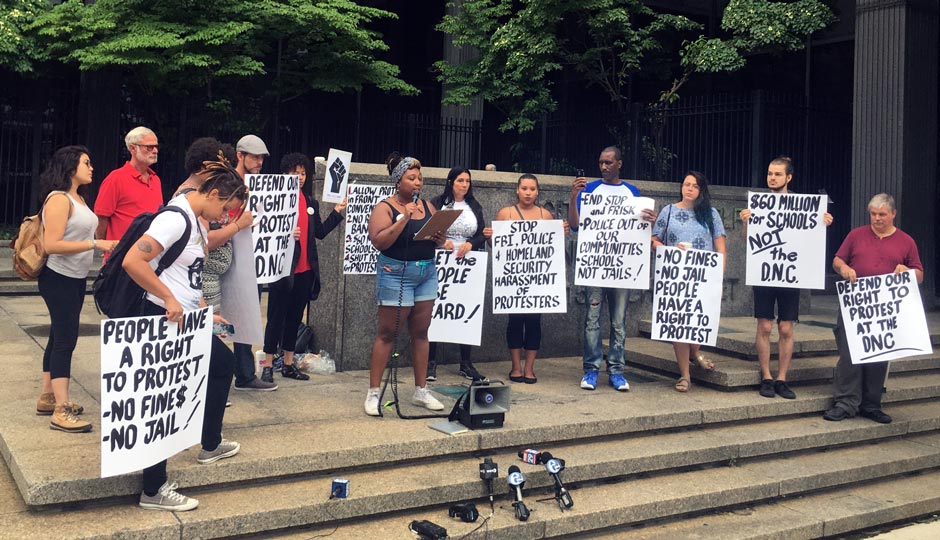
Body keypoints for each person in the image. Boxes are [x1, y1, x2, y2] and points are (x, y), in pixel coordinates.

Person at [123, 160, 248, 511]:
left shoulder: (196, 220)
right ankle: (153, 487)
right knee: (163, 396)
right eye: (224, 208)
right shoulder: (174, 218)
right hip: (162, 315)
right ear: (212, 193)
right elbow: (133, 261)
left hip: (185, 317)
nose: (225, 216)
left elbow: (190, 269)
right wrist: (167, 297)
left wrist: (203, 308)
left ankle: (210, 442)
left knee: (222, 365)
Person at [35, 146, 118, 432]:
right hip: (59, 277)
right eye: (86, 162)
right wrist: (96, 244)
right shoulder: (58, 199)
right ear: (71, 167)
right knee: (65, 340)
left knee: (59, 334)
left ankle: (48, 396)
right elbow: (51, 245)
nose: (92, 167)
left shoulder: (78, 198)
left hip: (74, 277)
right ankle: (61, 409)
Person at [823, 193, 923, 424]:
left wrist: (906, 272)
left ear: (893, 214)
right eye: (873, 214)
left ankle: (871, 403)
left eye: (882, 214)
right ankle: (846, 402)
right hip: (855, 304)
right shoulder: (856, 235)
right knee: (849, 354)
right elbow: (837, 260)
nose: (877, 219)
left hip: (886, 309)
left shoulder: (906, 241)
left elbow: (919, 274)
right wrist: (844, 269)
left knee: (879, 355)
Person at [739, 156, 833, 399]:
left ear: (788, 177)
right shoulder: (759, 205)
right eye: (770, 173)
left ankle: (782, 378)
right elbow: (749, 242)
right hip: (766, 271)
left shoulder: (803, 206)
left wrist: (823, 223)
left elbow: (812, 240)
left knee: (786, 328)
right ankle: (766, 376)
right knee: (765, 325)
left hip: (791, 274)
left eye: (777, 174)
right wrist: (746, 223)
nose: (772, 178)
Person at [363, 153, 447, 416]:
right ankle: (374, 392)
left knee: (421, 331)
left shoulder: (428, 206)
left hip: (425, 272)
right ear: (398, 181)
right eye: (411, 178)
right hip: (395, 273)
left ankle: (421, 390)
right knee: (388, 332)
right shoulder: (385, 208)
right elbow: (380, 241)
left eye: (419, 178)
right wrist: (403, 219)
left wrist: (439, 237)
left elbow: (439, 241)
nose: (417, 182)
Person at [569, 146, 656, 392]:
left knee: (619, 322)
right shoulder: (591, 189)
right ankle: (591, 370)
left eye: (608, 163)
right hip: (596, 266)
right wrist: (574, 197)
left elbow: (639, 232)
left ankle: (617, 370)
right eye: (600, 163)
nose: (604, 167)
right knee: (592, 320)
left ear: (619, 164)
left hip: (622, 269)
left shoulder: (632, 192)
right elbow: (575, 226)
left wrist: (651, 220)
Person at [261, 153, 346, 380]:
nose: (299, 177)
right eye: (294, 172)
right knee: (276, 317)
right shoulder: (275, 199)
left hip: (306, 270)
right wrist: (286, 234)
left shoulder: (310, 202)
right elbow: (264, 230)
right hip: (283, 269)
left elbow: (319, 232)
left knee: (294, 318)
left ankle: (289, 363)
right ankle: (268, 364)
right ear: (284, 174)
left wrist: (337, 212)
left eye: (303, 173)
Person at [484, 174, 569, 385]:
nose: (528, 192)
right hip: (513, 280)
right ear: (517, 190)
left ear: (537, 191)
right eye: (524, 188)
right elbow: (497, 248)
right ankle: (515, 366)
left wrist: (561, 233)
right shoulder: (506, 213)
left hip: (536, 281)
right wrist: (490, 238)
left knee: (533, 322)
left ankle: (529, 368)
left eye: (532, 189)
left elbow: (552, 249)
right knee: (514, 321)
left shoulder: (545, 215)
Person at [651, 171, 726, 392]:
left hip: (702, 277)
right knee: (679, 325)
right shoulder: (669, 211)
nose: (689, 188)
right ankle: (685, 374)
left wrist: (718, 279)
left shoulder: (711, 215)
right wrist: (670, 249)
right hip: (675, 277)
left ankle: (695, 353)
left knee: (695, 324)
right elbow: (654, 241)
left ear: (701, 190)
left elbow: (720, 248)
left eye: (694, 185)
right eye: (686, 184)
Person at [427, 167, 488, 383]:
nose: (464, 184)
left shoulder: (474, 206)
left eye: (468, 181)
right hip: (440, 261)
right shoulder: (437, 203)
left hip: (467, 265)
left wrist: (471, 244)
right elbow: (427, 229)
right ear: (451, 182)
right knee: (437, 308)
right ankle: (430, 361)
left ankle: (466, 362)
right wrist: (442, 242)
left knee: (466, 310)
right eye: (460, 180)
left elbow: (482, 234)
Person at [230, 134, 278, 391]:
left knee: (246, 315)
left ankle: (245, 374)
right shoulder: (227, 182)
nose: (260, 162)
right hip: (228, 256)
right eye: (255, 156)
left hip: (254, 260)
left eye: (262, 157)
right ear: (240, 155)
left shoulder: (263, 185)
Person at [94, 126, 163, 243]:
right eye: (149, 147)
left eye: (156, 146)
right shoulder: (116, 178)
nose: (155, 151)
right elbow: (101, 217)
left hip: (150, 253)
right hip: (121, 254)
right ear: (133, 148)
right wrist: (107, 248)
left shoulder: (155, 179)